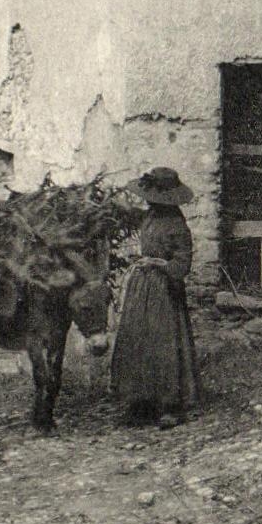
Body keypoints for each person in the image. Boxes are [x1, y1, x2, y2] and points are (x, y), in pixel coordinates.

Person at [111, 166, 201, 426]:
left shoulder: (176, 225)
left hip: (164, 291)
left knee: (163, 343)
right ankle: (140, 402)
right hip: (142, 288)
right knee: (137, 338)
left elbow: (182, 265)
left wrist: (160, 264)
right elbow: (129, 217)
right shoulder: (149, 216)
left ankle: (169, 405)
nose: (147, 198)